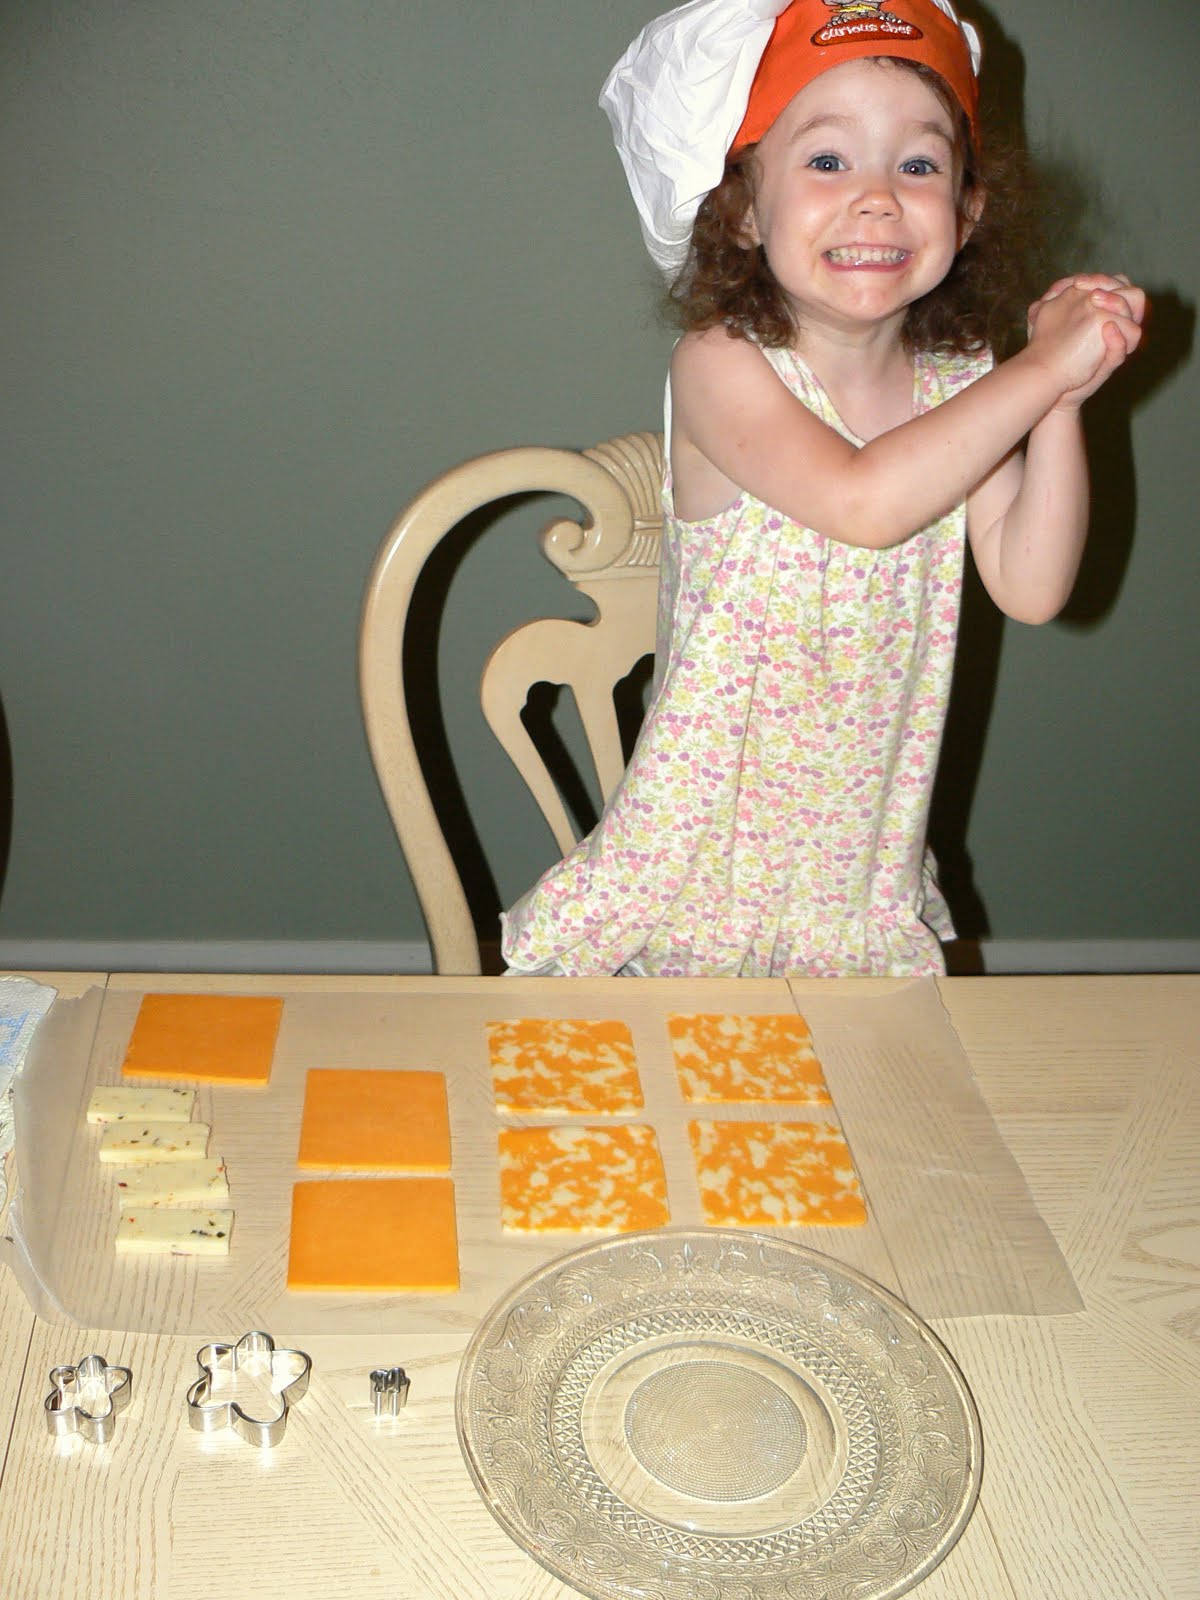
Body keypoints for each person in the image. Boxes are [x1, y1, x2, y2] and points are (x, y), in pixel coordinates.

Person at [502, 0, 1144, 979]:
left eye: (920, 165)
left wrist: (1060, 405)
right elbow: (862, 503)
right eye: (828, 161)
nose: (879, 197)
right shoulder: (721, 365)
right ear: (745, 209)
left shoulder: (963, 374)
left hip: (855, 881)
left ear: (967, 211)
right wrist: (1039, 374)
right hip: (705, 881)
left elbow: (1031, 580)